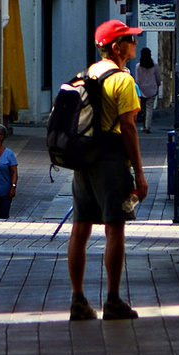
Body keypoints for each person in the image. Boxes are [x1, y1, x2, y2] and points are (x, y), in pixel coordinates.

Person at [67, 19, 149, 321]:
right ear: (116, 47)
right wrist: (139, 173)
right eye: (130, 39)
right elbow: (128, 127)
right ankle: (113, 300)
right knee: (115, 228)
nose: (135, 43)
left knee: (81, 228)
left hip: (84, 161)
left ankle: (78, 300)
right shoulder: (123, 80)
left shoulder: (87, 74)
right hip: (112, 161)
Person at [133, 46, 162, 133]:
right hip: (152, 89)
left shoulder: (138, 66)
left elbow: (137, 80)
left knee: (143, 108)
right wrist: (158, 85)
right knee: (150, 108)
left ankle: (144, 125)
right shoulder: (154, 65)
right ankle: (147, 126)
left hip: (142, 90)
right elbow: (158, 78)